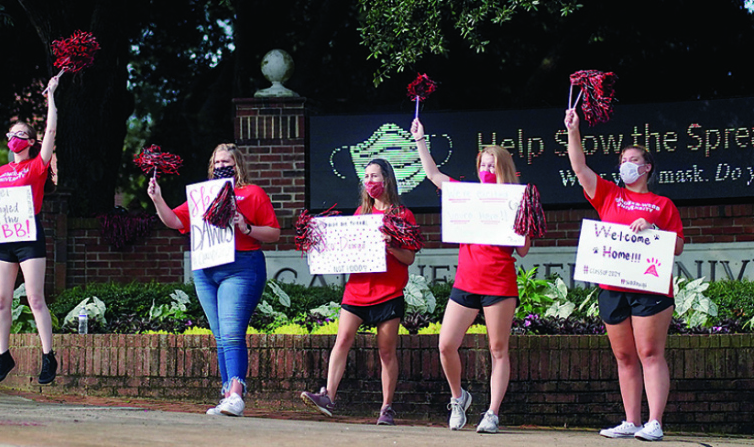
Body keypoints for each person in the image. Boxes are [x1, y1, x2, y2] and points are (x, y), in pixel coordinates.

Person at [564, 108, 684, 442]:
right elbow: (579, 168)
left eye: (632, 159)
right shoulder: (608, 194)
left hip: (650, 287)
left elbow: (677, 247)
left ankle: (655, 422)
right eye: (622, 159)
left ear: (646, 167)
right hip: (612, 285)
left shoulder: (663, 204)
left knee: (650, 353)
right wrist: (574, 130)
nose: (625, 164)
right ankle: (631, 420)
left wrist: (654, 228)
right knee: (624, 356)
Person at [410, 118, 530, 433]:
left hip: (499, 282)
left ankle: (492, 412)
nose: (486, 170)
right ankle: (458, 397)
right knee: (446, 344)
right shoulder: (467, 194)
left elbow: (524, 250)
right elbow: (434, 175)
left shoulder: (516, 199)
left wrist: (522, 222)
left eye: (492, 165)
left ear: (503, 168)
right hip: (467, 280)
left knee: (498, 348)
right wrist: (421, 140)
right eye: (482, 165)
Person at [147, 143, 280, 417]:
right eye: (217, 162)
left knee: (231, 332)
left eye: (226, 162)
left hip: (241, 266)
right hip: (206, 268)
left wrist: (246, 226)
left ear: (238, 164)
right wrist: (158, 200)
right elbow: (174, 221)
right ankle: (226, 394)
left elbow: (274, 233)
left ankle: (237, 393)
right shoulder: (203, 195)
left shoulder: (251, 193)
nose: (221, 167)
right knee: (220, 335)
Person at [300, 158, 419, 426]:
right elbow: (345, 252)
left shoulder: (402, 216)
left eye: (375, 176)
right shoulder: (359, 215)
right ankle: (328, 395)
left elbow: (409, 257)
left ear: (387, 179)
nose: (370, 182)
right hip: (357, 290)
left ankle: (387, 407)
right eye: (366, 177)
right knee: (341, 341)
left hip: (388, 292)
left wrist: (389, 245)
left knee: (386, 352)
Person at [0, 77, 60, 385]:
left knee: (34, 298)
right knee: (1, 300)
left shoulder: (37, 166)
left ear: (30, 141)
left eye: (22, 134)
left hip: (29, 238)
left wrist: (51, 96)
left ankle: (48, 356)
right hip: (5, 240)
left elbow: (51, 130)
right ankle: (3, 356)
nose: (16, 137)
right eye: (12, 133)